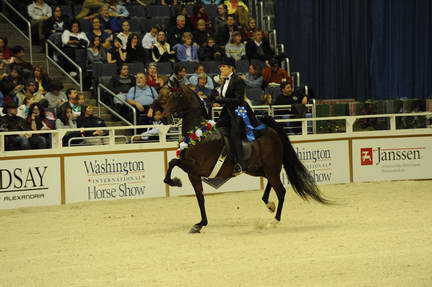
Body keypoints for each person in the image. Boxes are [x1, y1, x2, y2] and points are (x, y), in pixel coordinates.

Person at [214, 57, 259, 173]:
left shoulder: (238, 80)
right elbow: (225, 98)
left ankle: (240, 163)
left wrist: (221, 100)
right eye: (221, 67)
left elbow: (238, 99)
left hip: (239, 110)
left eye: (223, 67)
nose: (221, 69)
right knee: (216, 127)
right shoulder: (224, 80)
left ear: (231, 68)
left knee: (235, 132)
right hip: (228, 110)